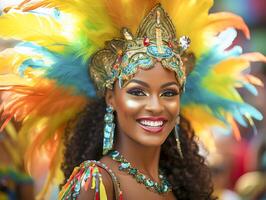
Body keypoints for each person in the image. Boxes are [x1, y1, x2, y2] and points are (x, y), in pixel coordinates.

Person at [0, 0, 265, 199]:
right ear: (111, 98)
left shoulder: (180, 182)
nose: (155, 106)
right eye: (137, 91)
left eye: (168, 92)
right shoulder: (98, 181)